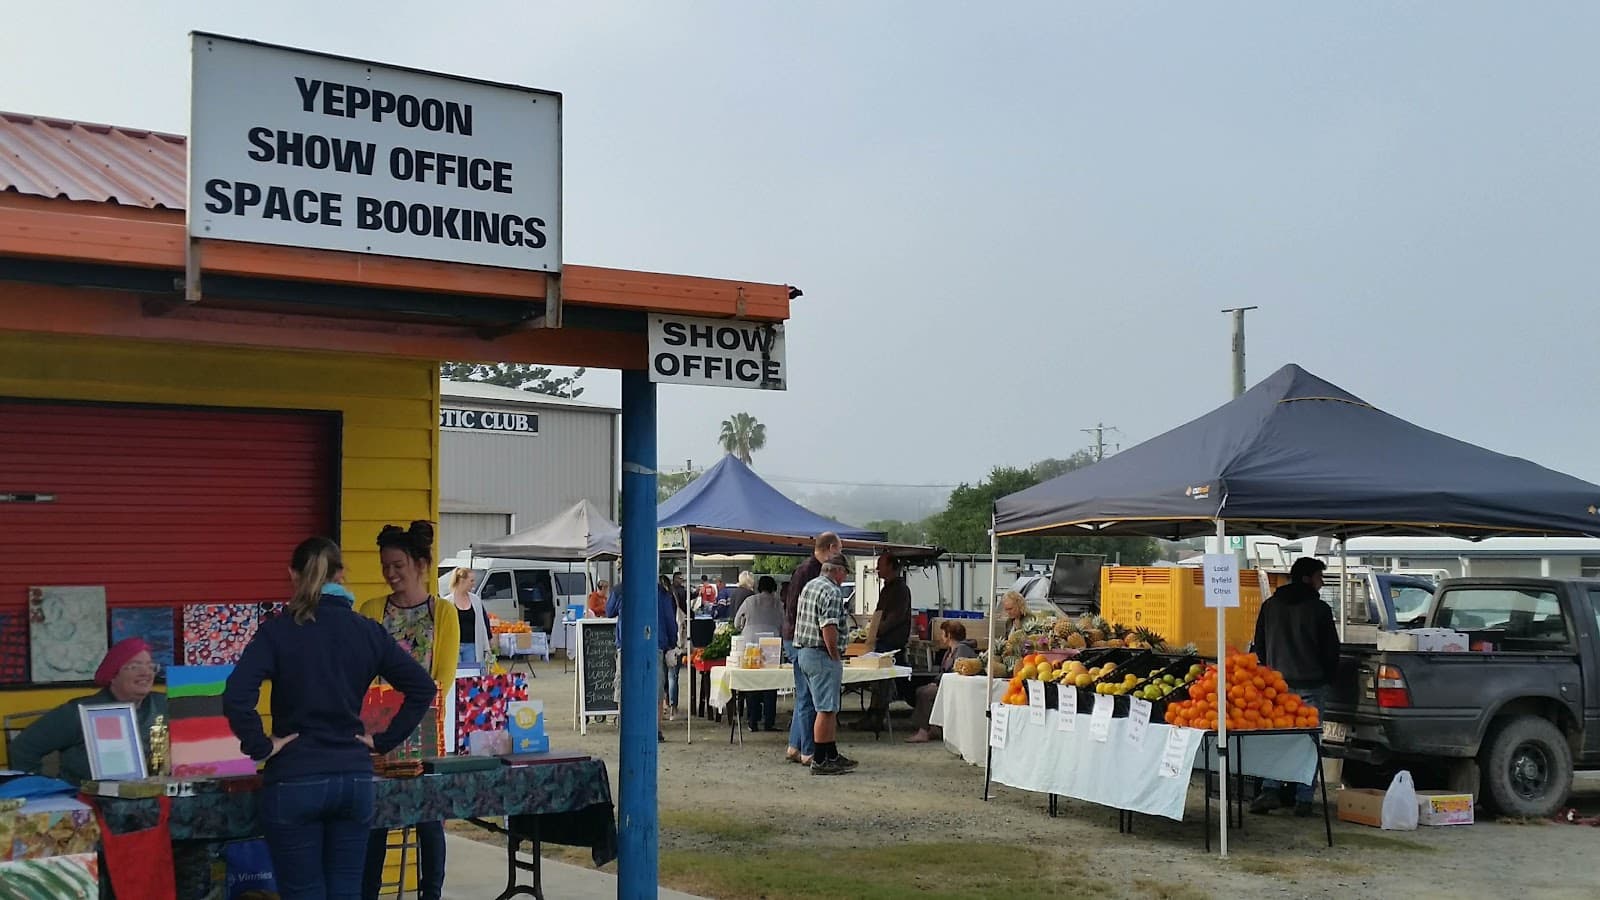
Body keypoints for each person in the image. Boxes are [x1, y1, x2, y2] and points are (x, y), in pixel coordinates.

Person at [223, 537, 435, 900]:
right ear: (342, 575)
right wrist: (383, 740)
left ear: (293, 575)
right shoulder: (367, 630)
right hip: (353, 778)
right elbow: (422, 688)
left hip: (295, 776)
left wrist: (261, 745)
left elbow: (236, 694)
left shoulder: (278, 630)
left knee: (303, 892)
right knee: (345, 892)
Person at [357, 522, 459, 900]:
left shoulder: (443, 613)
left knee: (429, 820)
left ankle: (430, 893)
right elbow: (360, 672)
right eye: (385, 566)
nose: (390, 573)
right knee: (376, 820)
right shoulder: (370, 610)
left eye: (398, 564)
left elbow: (443, 678)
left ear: (419, 563)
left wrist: (407, 702)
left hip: (424, 729)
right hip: (378, 730)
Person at [1249, 556, 1339, 817]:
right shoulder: (1318, 609)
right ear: (1306, 578)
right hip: (1312, 683)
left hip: (1277, 687)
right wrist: (1327, 676)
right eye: (1319, 577)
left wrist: (1272, 671)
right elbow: (1331, 650)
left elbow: (1260, 645)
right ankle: (1303, 798)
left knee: (1276, 740)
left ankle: (1270, 789)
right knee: (1309, 743)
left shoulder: (1270, 606)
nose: (1321, 583)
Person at [10, 638, 167, 783]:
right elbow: (22, 749)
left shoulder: (166, 705)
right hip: (88, 803)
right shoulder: (78, 712)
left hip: (156, 802)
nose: (146, 673)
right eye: (134, 666)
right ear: (113, 675)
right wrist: (42, 791)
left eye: (150, 666)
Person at [794, 553, 856, 775]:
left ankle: (831, 753)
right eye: (845, 573)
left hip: (805, 652)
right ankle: (820, 759)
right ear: (838, 571)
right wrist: (835, 654)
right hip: (822, 654)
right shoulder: (831, 591)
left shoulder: (810, 586)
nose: (844, 578)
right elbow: (828, 626)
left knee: (824, 706)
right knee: (826, 709)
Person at [783, 531, 841, 765]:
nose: (840, 555)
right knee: (810, 698)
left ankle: (795, 746)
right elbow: (798, 609)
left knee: (804, 696)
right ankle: (809, 750)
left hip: (797, 638)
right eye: (839, 550)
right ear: (829, 548)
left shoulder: (805, 569)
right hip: (804, 640)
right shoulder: (810, 571)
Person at [861, 553, 913, 731]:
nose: (877, 569)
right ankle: (873, 716)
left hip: (891, 644)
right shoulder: (887, 589)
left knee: (885, 683)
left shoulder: (900, 590)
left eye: (880, 565)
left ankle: (877, 719)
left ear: (891, 566)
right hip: (882, 640)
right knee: (878, 682)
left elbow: (895, 618)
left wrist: (875, 630)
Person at [904, 621, 979, 744]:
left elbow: (957, 671)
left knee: (926, 693)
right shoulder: (950, 651)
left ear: (948, 635)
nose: (941, 636)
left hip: (957, 687)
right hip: (948, 684)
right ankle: (932, 727)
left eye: (943, 633)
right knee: (922, 690)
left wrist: (938, 683)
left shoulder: (961, 650)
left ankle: (924, 731)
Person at [733, 575, 784, 731]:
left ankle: (752, 721)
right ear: (774, 588)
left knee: (752, 682)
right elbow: (783, 624)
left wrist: (744, 627)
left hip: (750, 643)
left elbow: (736, 622)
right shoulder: (778, 604)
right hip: (772, 644)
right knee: (771, 683)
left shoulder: (750, 601)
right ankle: (769, 722)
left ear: (758, 587)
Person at [448, 567, 491, 672]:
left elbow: (483, 623)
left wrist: (487, 644)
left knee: (471, 675)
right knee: (455, 675)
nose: (473, 583)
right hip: (453, 646)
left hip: (472, 645)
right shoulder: (447, 602)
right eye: (471, 580)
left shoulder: (476, 600)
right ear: (462, 581)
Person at [657, 575, 681, 734]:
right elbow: (670, 621)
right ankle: (668, 709)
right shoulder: (664, 596)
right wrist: (672, 643)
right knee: (662, 682)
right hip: (659, 644)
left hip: (630, 646)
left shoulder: (623, 590)